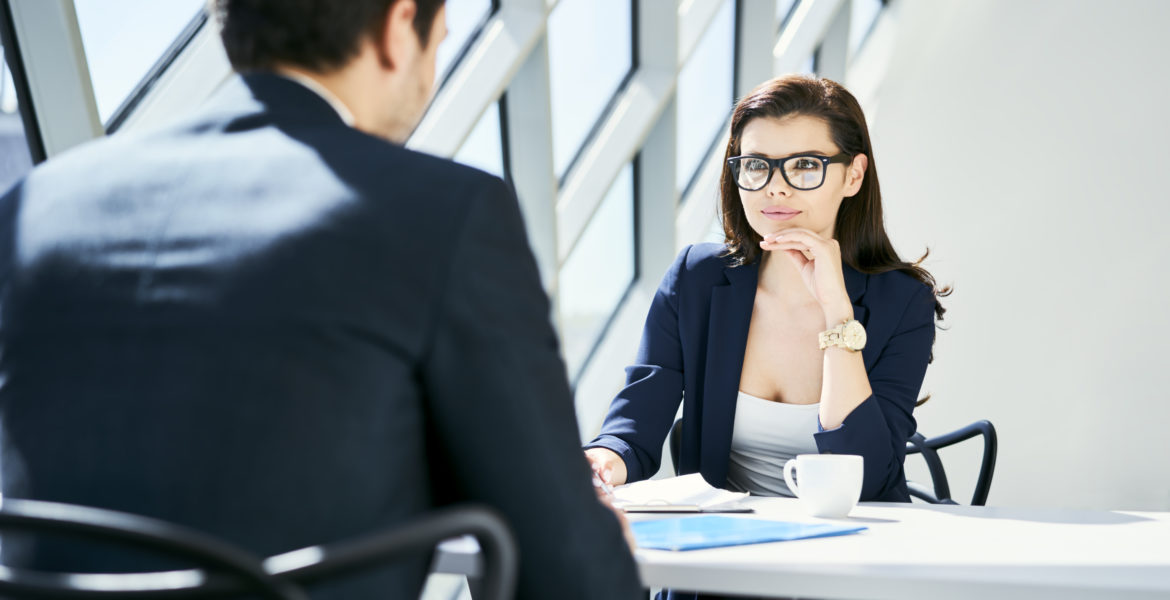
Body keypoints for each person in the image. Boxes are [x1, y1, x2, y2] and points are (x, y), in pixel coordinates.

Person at [0, 1, 642, 598]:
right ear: (399, 29)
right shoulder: (441, 213)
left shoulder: (38, 206)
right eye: (439, 44)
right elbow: (571, 573)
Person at [585, 74, 947, 596]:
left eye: (805, 165)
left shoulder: (901, 302)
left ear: (853, 175)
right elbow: (635, 426)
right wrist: (601, 462)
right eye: (756, 166)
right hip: (719, 570)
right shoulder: (697, 279)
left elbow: (866, 478)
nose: (776, 187)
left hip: (850, 571)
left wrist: (835, 312)